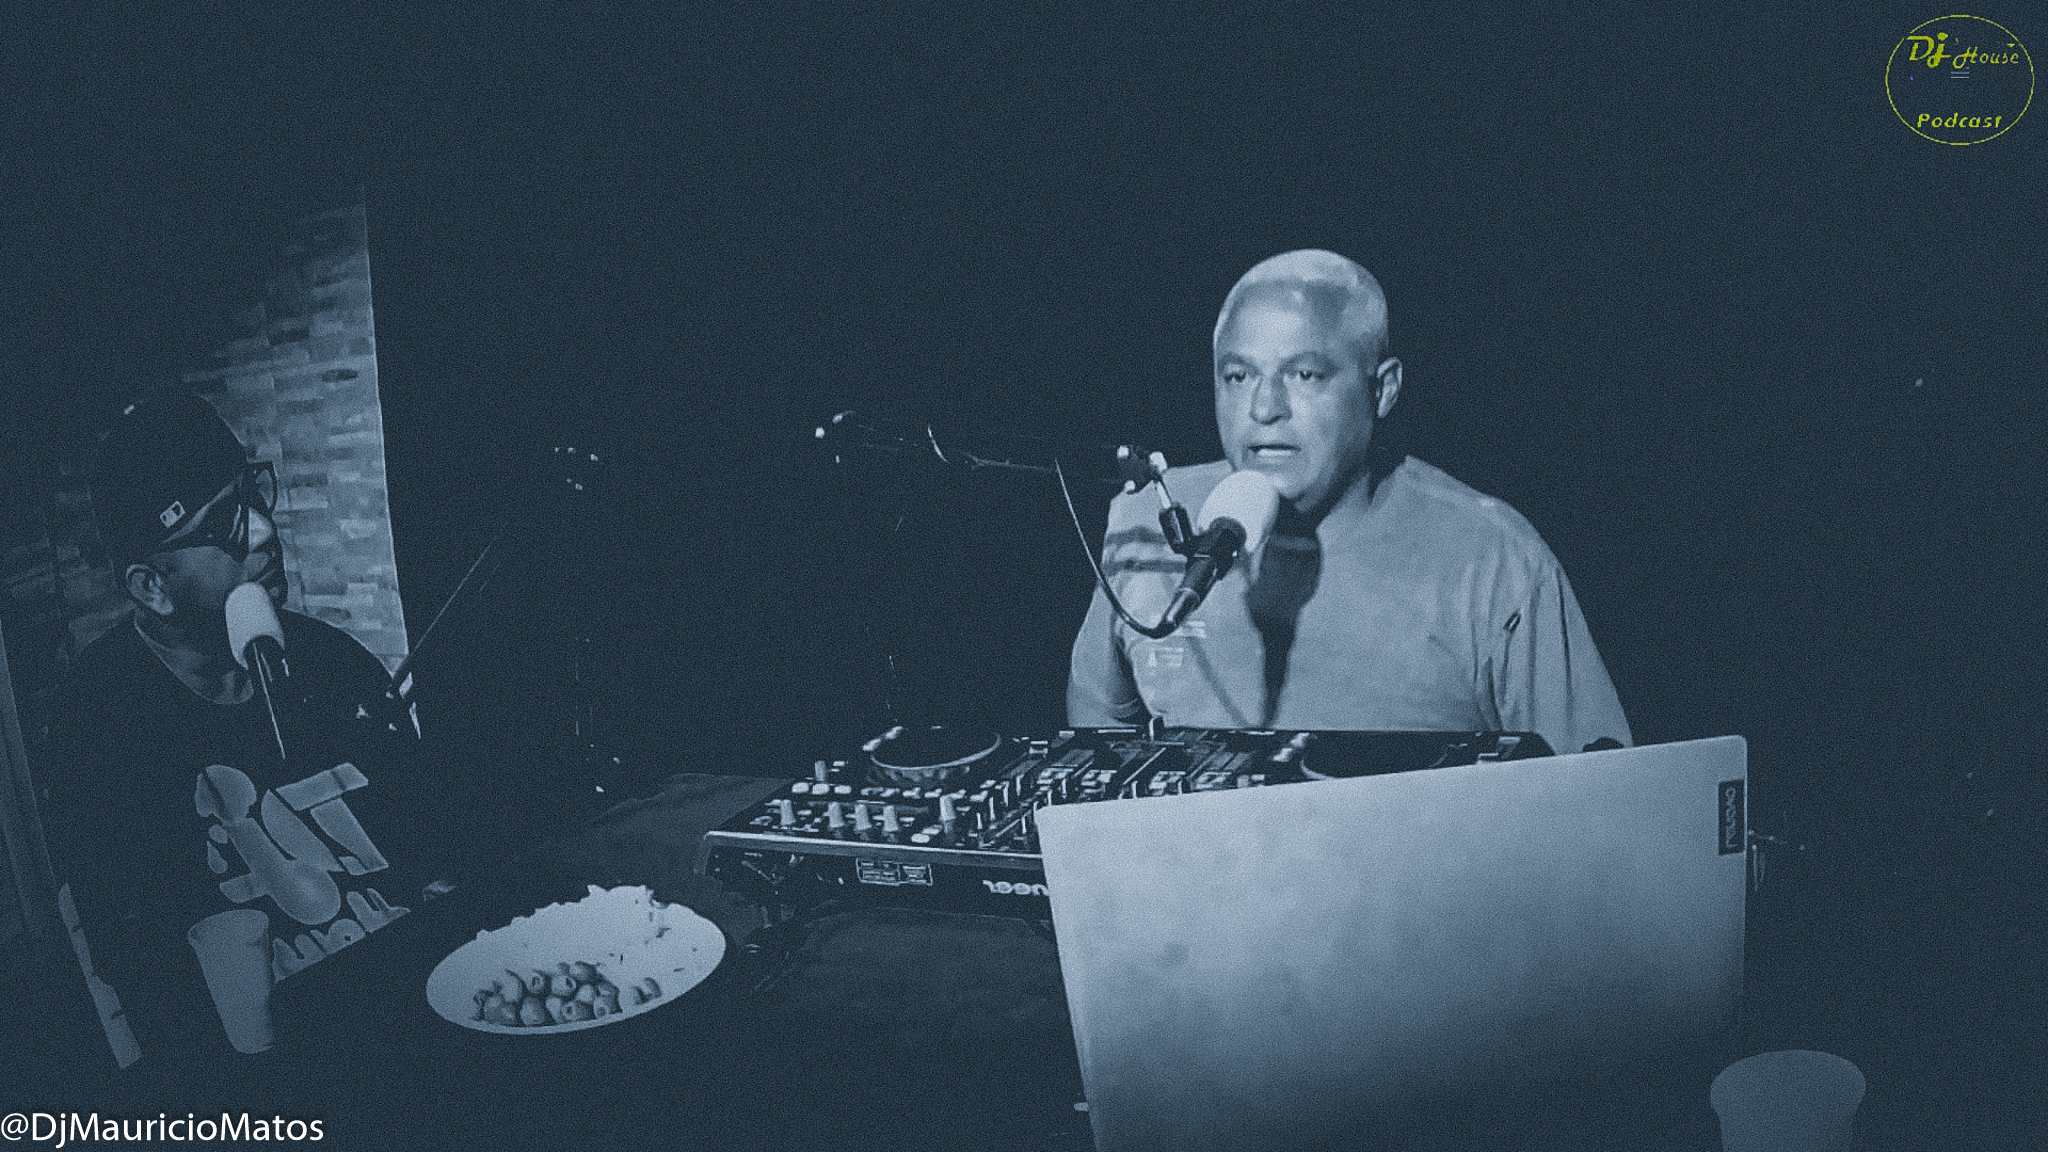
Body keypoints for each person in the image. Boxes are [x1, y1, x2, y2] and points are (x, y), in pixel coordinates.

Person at [1067, 250, 1631, 755]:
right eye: (1237, 376)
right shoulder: (1145, 522)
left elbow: (1597, 799)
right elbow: (1094, 749)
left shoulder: (1492, 557)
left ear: (1382, 390)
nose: (1264, 408)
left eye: (1304, 375)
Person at [38, 389, 447, 1075]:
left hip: (414, 1011)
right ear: (152, 587)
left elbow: (432, 844)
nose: (262, 531)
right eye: (225, 522)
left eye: (255, 495)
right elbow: (142, 966)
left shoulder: (335, 663)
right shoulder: (100, 721)